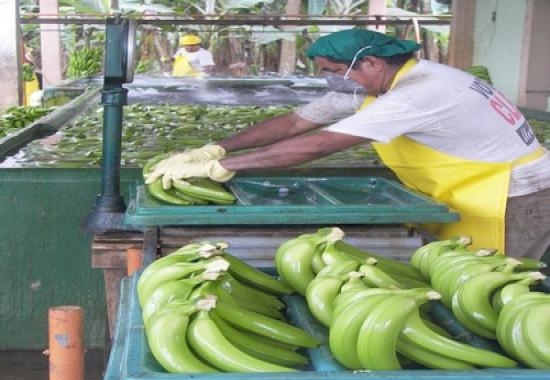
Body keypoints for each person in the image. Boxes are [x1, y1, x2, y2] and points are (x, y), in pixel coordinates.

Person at [146, 29, 550, 260]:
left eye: (333, 71)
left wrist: (224, 169)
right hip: (473, 188)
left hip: (516, 195)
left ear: (371, 63)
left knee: (502, 281)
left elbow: (319, 145)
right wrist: (215, 148)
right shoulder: (378, 83)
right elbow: (295, 122)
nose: (330, 81)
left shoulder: (419, 92)